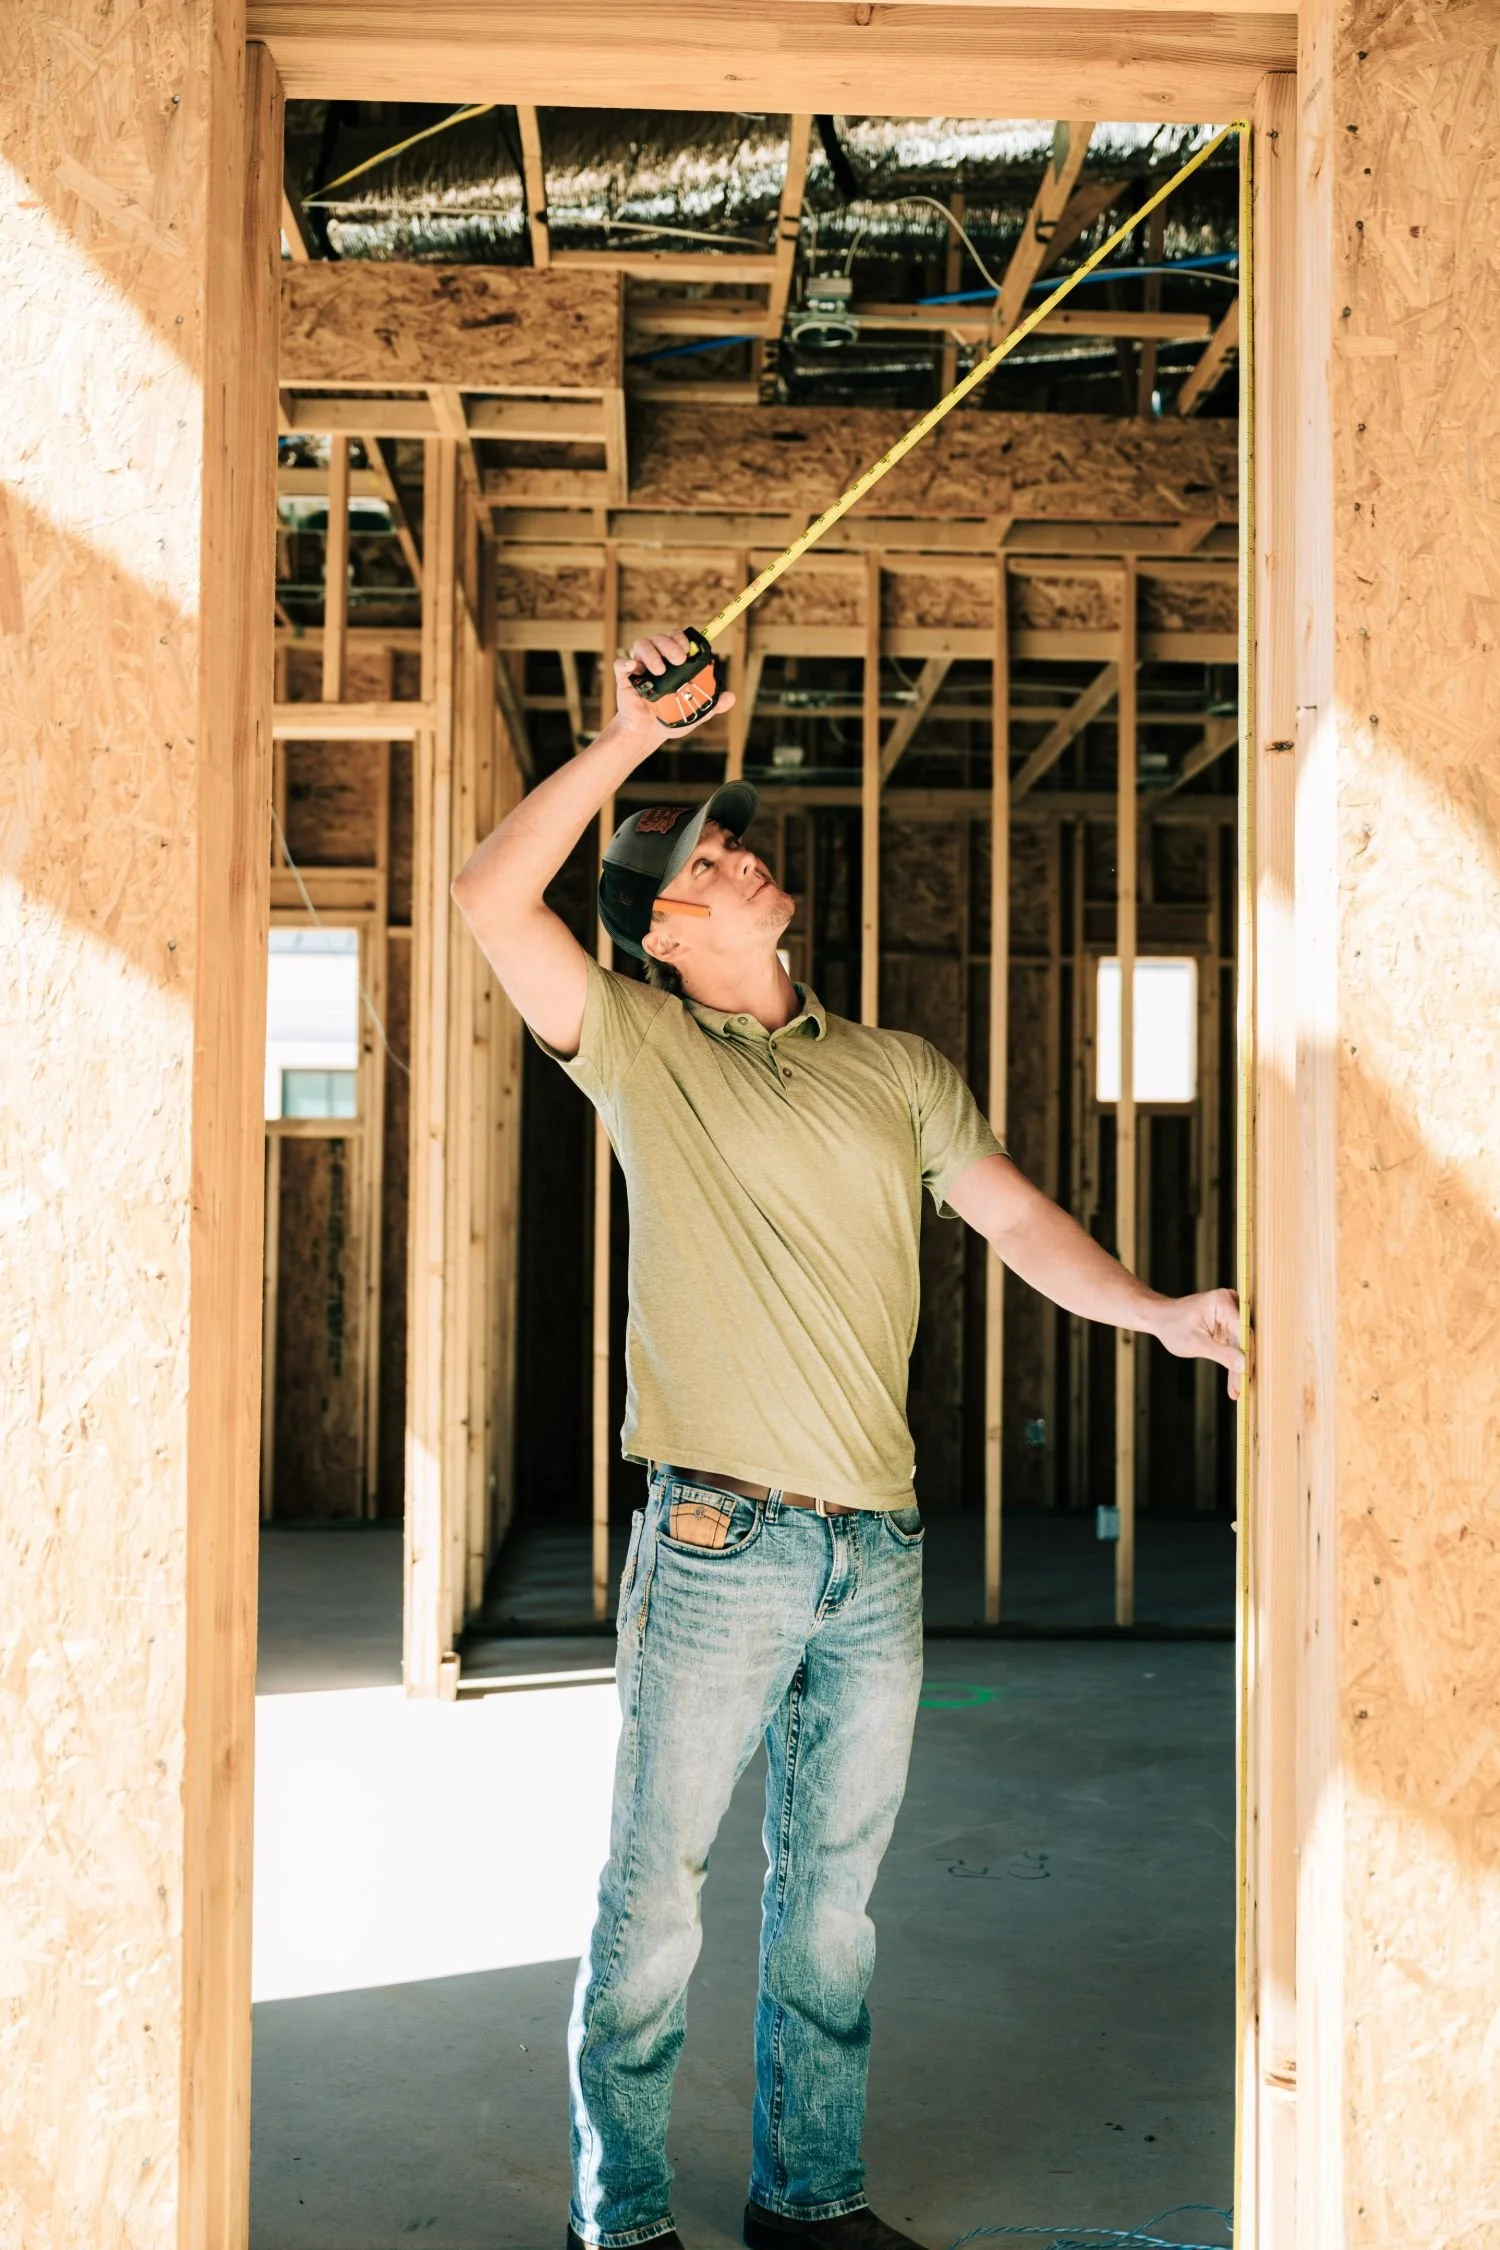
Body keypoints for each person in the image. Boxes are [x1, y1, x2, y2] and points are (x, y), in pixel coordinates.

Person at [452, 630, 1243, 2250]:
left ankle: (809, 2203)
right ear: (663, 936)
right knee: (655, 1896)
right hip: (716, 1541)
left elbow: (1017, 1220)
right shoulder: (642, 1047)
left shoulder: (894, 1070)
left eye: (733, 843)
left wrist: (1159, 1313)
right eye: (702, 864)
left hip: (875, 1547)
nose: (737, 856)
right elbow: (486, 896)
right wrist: (631, 737)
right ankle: (626, 2218)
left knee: (832, 1907)